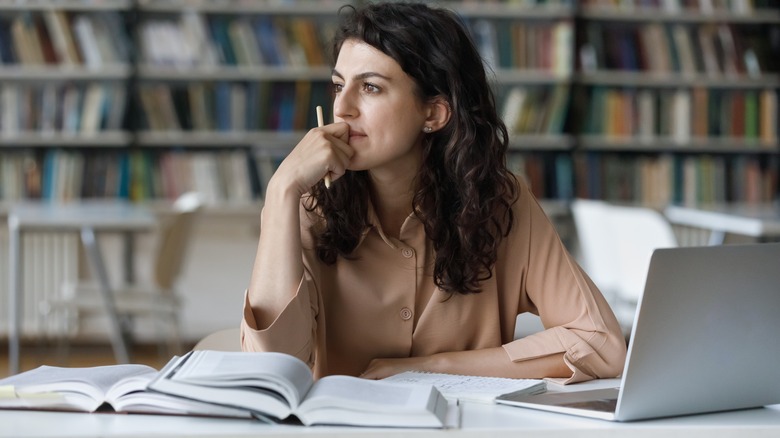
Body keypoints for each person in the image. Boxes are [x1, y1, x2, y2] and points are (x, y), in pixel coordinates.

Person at [241, 1, 626, 384]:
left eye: (370, 87)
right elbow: (271, 371)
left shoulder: (502, 203)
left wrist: (433, 366)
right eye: (339, 85)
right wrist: (280, 191)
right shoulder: (309, 204)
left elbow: (602, 344)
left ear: (434, 113)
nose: (343, 108)